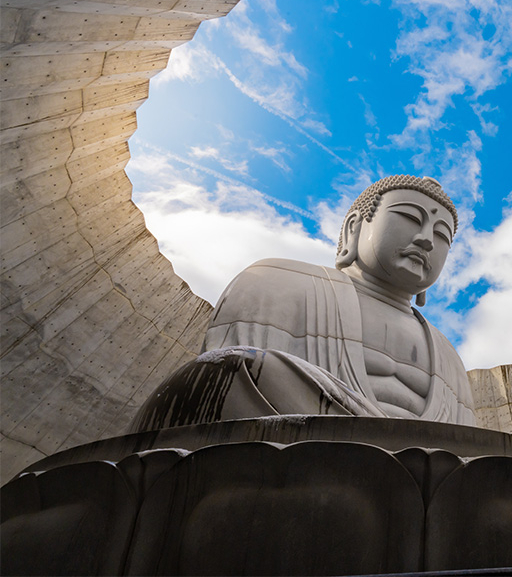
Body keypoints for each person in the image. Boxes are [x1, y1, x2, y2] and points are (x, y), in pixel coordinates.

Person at [131, 175, 476, 431]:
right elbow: (234, 384)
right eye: (411, 219)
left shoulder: (449, 356)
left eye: (442, 235)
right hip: (306, 445)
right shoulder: (274, 279)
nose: (426, 240)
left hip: (426, 469)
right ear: (354, 228)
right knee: (226, 371)